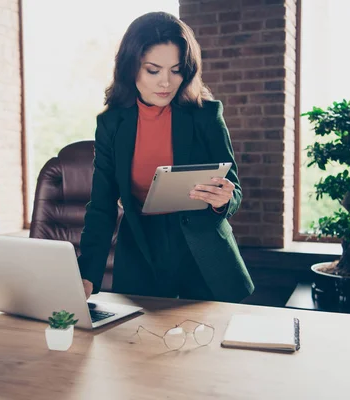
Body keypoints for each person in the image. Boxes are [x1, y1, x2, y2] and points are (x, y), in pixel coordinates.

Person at [78, 12, 254, 302]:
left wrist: (223, 200)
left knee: (207, 343)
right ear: (131, 67)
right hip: (140, 251)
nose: (166, 82)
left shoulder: (206, 116)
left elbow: (233, 190)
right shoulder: (111, 124)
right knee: (135, 343)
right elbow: (101, 206)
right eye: (153, 70)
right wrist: (87, 273)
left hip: (202, 252)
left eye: (176, 70)